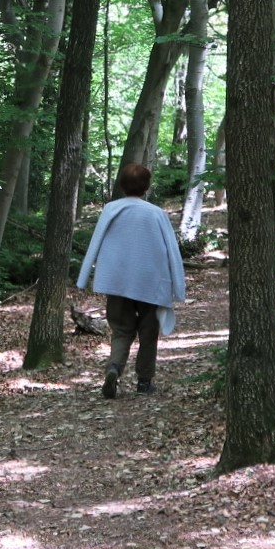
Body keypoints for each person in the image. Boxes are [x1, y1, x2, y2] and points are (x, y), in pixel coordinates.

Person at [75, 162, 186, 398]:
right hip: (151, 283)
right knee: (148, 333)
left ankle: (114, 367)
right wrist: (179, 288)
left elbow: (95, 243)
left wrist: (83, 278)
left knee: (122, 330)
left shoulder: (111, 209)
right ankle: (144, 382)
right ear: (146, 187)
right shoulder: (157, 214)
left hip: (117, 282)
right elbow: (172, 251)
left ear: (122, 186)